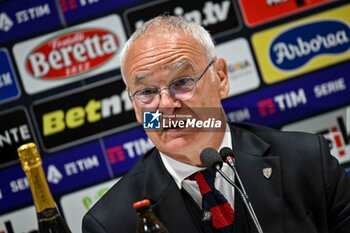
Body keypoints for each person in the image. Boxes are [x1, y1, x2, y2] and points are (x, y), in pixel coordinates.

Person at [82, 15, 350, 233]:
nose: (165, 105)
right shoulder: (111, 223)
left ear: (220, 78)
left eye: (182, 82)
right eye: (147, 93)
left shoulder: (307, 161)